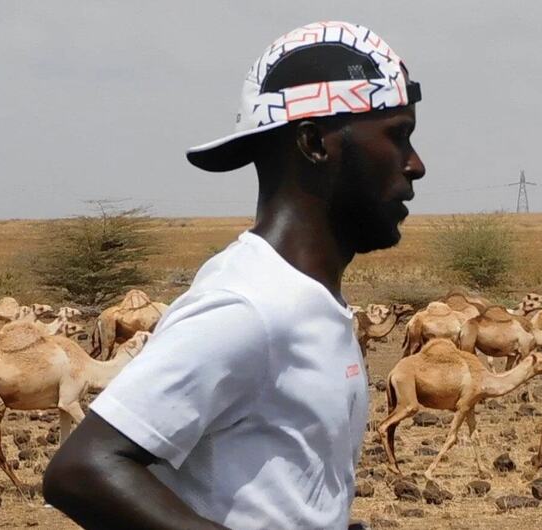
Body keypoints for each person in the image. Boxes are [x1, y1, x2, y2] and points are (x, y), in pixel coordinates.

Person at [43, 21, 424, 529]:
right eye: (398, 137)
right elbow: (83, 469)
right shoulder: (249, 307)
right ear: (314, 142)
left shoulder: (311, 302)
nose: (415, 165)